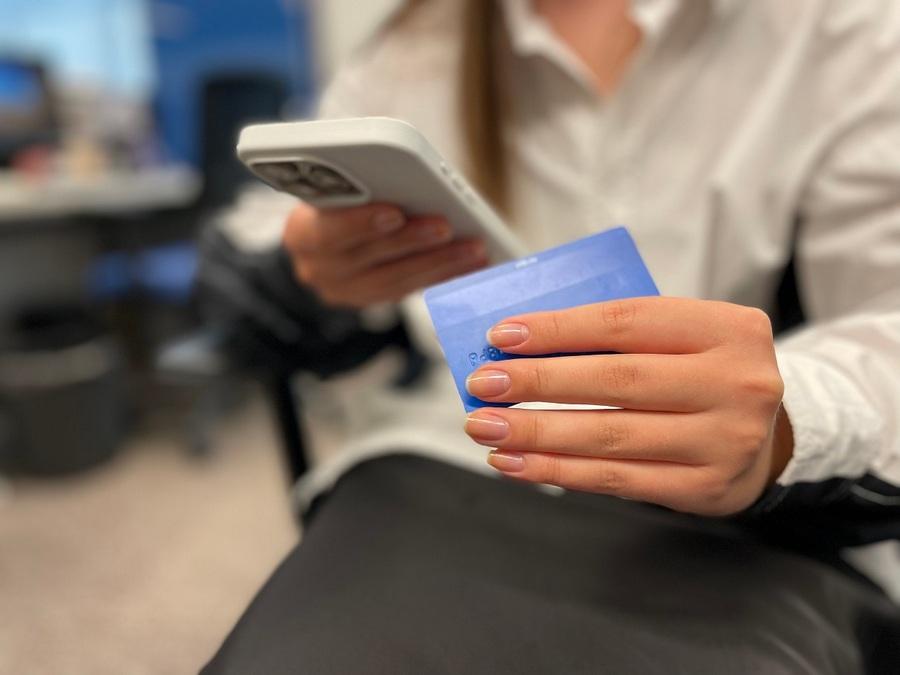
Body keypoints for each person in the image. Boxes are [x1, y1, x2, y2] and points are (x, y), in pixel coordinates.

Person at [201, 0, 900, 672]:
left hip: (745, 523)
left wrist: (786, 423)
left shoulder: (839, 28)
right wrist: (312, 273)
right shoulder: (414, 47)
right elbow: (251, 264)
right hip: (450, 467)